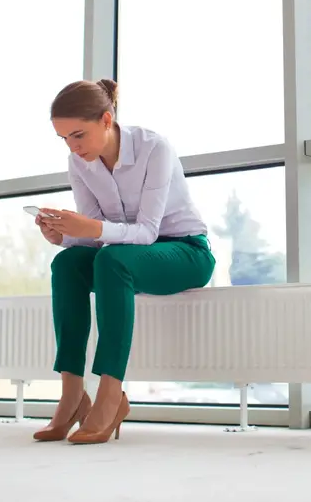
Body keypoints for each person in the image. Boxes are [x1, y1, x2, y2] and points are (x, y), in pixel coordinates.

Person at [31, 79, 216, 444]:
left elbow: (146, 232)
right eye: (64, 138)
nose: (72, 146)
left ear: (106, 119)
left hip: (186, 252)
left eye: (78, 135)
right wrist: (63, 235)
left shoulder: (154, 148)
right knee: (67, 264)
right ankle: (72, 394)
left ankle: (111, 393)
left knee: (112, 259)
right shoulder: (79, 162)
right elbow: (95, 234)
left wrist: (91, 228)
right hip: (123, 255)